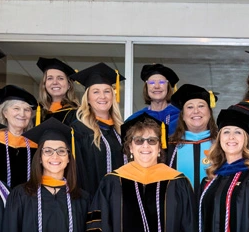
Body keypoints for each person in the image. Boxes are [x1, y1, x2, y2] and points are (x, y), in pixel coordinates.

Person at [69, 63, 126, 195]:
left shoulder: (122, 131)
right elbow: (77, 173)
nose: (102, 96)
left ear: (113, 96)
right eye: (96, 92)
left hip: (122, 203)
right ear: (87, 98)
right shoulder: (78, 130)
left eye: (107, 91)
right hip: (93, 202)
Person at [167, 83, 216, 192]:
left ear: (209, 112)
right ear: (183, 116)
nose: (196, 111)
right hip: (180, 207)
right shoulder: (170, 148)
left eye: (201, 106)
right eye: (190, 107)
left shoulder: (221, 145)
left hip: (212, 206)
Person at [0, 85, 38, 189]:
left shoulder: (35, 143)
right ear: (5, 113)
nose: (22, 114)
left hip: (27, 200)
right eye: (16, 108)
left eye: (27, 110)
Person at [127, 64, 181, 136]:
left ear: (168, 87)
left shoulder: (180, 117)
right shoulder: (135, 119)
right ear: (146, 88)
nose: (156, 86)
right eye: (151, 82)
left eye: (161, 82)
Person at [37, 57, 78, 126]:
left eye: (60, 78)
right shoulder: (38, 112)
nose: (55, 82)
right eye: (50, 78)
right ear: (44, 84)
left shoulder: (77, 114)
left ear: (69, 85)